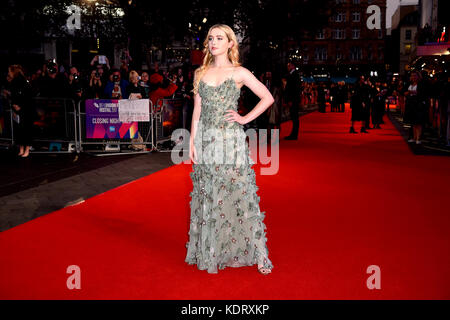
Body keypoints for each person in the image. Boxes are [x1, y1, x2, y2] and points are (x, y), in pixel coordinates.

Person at [186, 23, 275, 275]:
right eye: (211, 38)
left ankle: (256, 252)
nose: (213, 42)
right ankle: (213, 250)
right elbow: (197, 111)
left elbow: (267, 97)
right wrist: (192, 141)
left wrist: (245, 119)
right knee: (210, 194)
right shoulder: (200, 73)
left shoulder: (240, 72)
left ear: (230, 43)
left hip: (230, 143)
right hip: (207, 142)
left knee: (239, 194)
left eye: (219, 38)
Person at [7, 65, 35, 157]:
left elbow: (27, 96)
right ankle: (21, 149)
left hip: (26, 109)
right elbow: (13, 95)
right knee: (19, 129)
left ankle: (27, 149)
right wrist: (14, 104)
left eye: (9, 71)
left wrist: (20, 106)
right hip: (17, 108)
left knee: (26, 129)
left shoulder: (23, 81)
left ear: (13, 71)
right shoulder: (14, 82)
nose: (8, 73)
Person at [403, 71, 427, 144]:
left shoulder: (421, 84)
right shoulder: (409, 84)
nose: (413, 77)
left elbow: (422, 93)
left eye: (415, 76)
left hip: (418, 104)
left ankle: (418, 138)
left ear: (418, 76)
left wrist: (413, 92)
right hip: (411, 104)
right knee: (413, 122)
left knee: (418, 122)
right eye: (412, 76)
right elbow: (404, 92)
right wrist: (407, 93)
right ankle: (414, 137)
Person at [284, 61, 301, 140]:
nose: (288, 67)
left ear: (293, 66)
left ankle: (294, 135)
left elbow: (294, 89)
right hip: (293, 99)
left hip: (293, 100)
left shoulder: (295, 75)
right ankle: (294, 134)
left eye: (289, 65)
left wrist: (291, 100)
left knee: (294, 117)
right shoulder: (292, 75)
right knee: (294, 117)